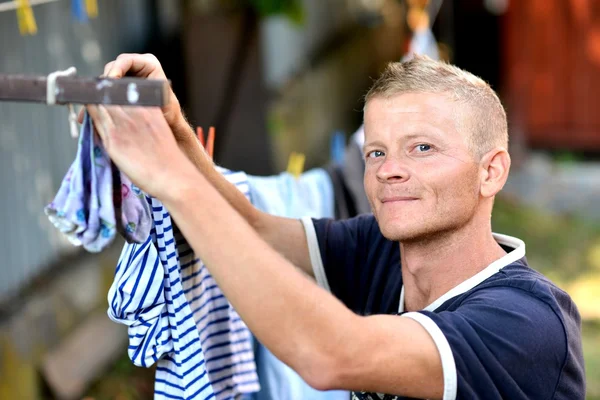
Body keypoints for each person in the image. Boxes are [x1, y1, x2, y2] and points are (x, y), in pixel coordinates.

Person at [84, 53, 585, 399]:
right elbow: (253, 230)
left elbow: (329, 356)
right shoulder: (379, 247)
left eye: (423, 148)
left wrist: (172, 181)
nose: (389, 169)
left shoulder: (528, 323)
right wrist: (175, 132)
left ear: (491, 171)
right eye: (376, 152)